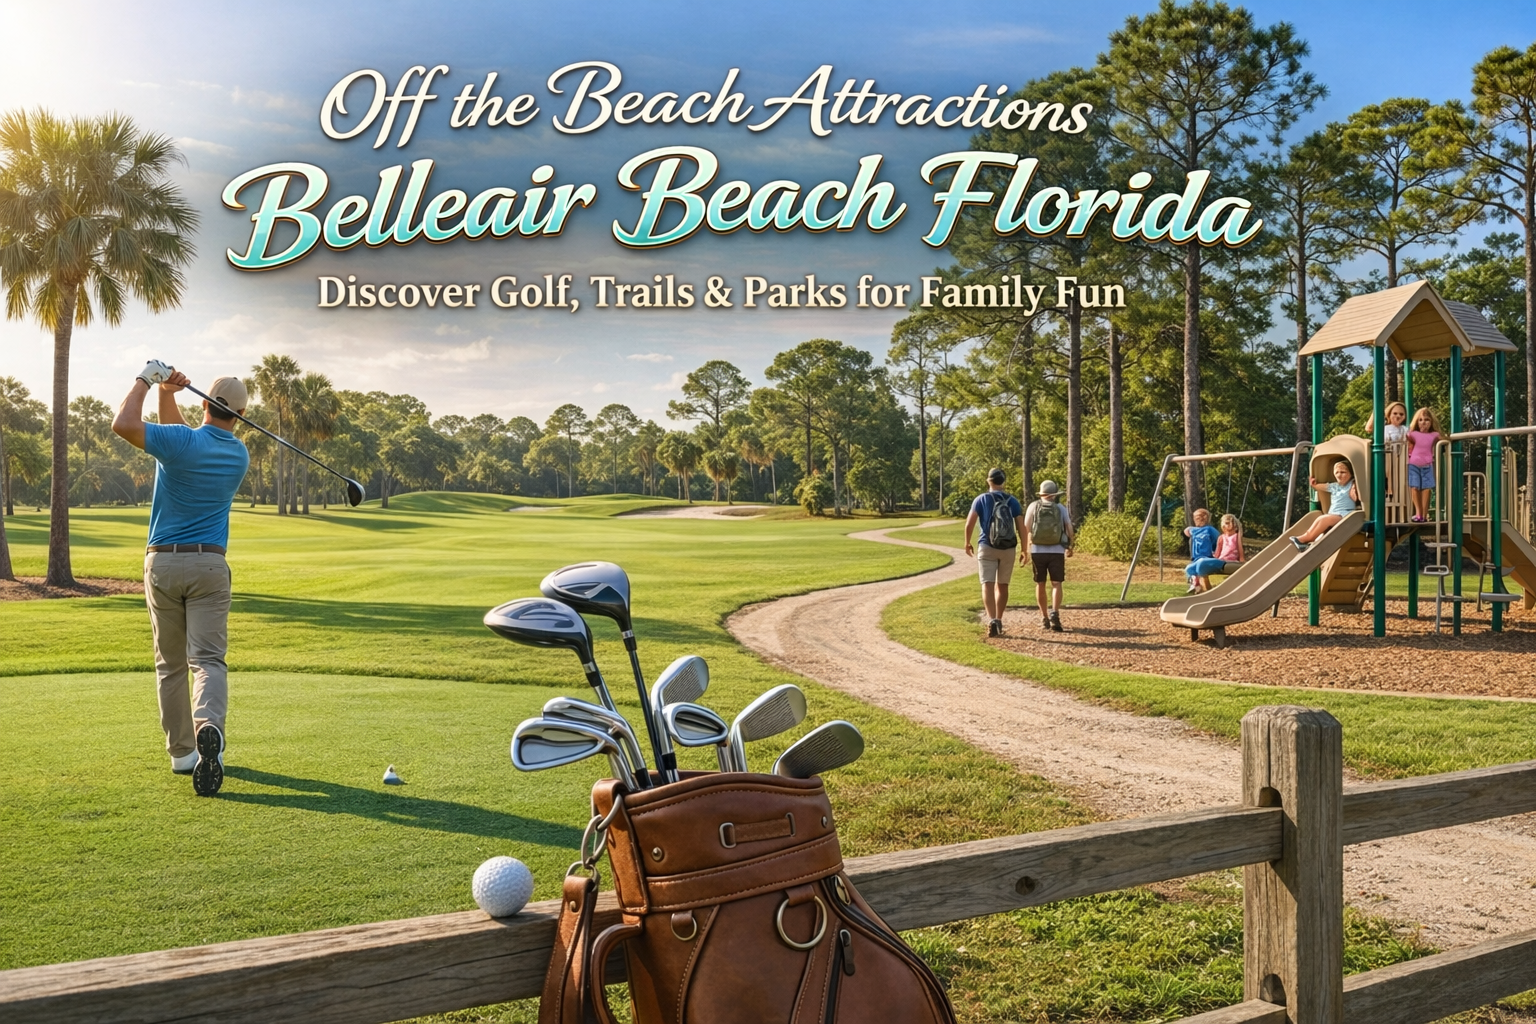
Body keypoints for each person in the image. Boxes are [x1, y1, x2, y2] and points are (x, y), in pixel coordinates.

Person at [111, 361, 250, 797]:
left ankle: (183, 754)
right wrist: (169, 395)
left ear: (206, 402)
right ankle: (209, 726)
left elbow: (123, 424)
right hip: (210, 566)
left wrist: (147, 380)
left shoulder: (180, 443)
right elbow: (186, 438)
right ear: (240, 416)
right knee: (207, 660)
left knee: (170, 664)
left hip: (164, 565)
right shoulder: (237, 454)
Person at [963, 468, 1025, 637]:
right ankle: (998, 619)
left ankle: (991, 619)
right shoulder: (1013, 501)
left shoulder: (980, 499)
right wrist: (1025, 550)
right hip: (1008, 548)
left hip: (986, 546)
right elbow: (1021, 528)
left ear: (988, 481)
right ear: (1003, 482)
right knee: (1003, 586)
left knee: (987, 585)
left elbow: (969, 524)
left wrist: (967, 542)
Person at [1023, 480, 1075, 632]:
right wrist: (1070, 545)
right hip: (1057, 550)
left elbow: (1026, 527)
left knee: (1040, 583)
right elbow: (1069, 527)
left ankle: (1044, 617)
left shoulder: (1033, 506)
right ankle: (1055, 613)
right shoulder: (1060, 508)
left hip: (1038, 551)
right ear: (1054, 495)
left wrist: (1026, 549)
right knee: (1056, 583)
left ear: (1042, 493)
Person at [1291, 460, 1360, 550]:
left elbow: (1356, 496)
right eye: (1337, 472)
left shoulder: (1352, 484)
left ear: (1350, 473)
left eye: (1343, 472)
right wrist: (1314, 484)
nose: (1339, 475)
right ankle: (1305, 538)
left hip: (1346, 515)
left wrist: (1354, 488)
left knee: (1324, 519)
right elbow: (1321, 486)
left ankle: (1305, 539)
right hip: (1334, 513)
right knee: (1320, 518)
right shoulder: (1335, 486)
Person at [1187, 513, 1244, 592]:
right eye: (1227, 523)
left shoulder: (1236, 536)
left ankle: (1205, 589)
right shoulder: (1221, 537)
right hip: (1221, 560)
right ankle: (1196, 584)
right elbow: (1217, 553)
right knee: (1190, 567)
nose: (1230, 525)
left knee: (1201, 562)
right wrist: (1212, 558)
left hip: (1230, 561)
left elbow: (1240, 549)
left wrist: (1242, 561)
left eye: (1232, 523)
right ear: (1223, 525)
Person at [1406, 407, 1444, 523]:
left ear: (1431, 422)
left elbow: (1445, 439)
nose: (1423, 423)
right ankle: (1418, 513)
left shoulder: (1434, 434)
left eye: (1427, 420)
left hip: (1427, 464)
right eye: (1420, 420)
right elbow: (1403, 437)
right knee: (1415, 487)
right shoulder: (1413, 434)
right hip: (1414, 464)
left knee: (1426, 488)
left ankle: (1424, 514)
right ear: (1417, 422)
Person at [1182, 508, 1219, 593]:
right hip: (1196, 557)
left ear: (1206, 518)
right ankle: (1195, 585)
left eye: (1199, 518)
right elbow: (1186, 531)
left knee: (1200, 565)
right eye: (1195, 518)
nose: (1197, 520)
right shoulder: (1194, 530)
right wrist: (1191, 527)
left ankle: (1200, 586)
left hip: (1207, 556)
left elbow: (1218, 540)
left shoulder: (1209, 529)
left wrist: (1216, 552)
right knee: (1188, 568)